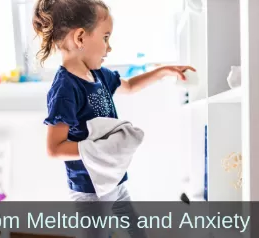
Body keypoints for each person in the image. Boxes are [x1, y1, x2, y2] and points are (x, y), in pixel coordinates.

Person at [33, 0, 195, 237]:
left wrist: (163, 71)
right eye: (106, 37)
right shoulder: (65, 88)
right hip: (90, 191)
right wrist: (98, 149)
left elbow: (128, 85)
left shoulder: (97, 74)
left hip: (114, 181)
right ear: (80, 38)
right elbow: (54, 148)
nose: (109, 48)